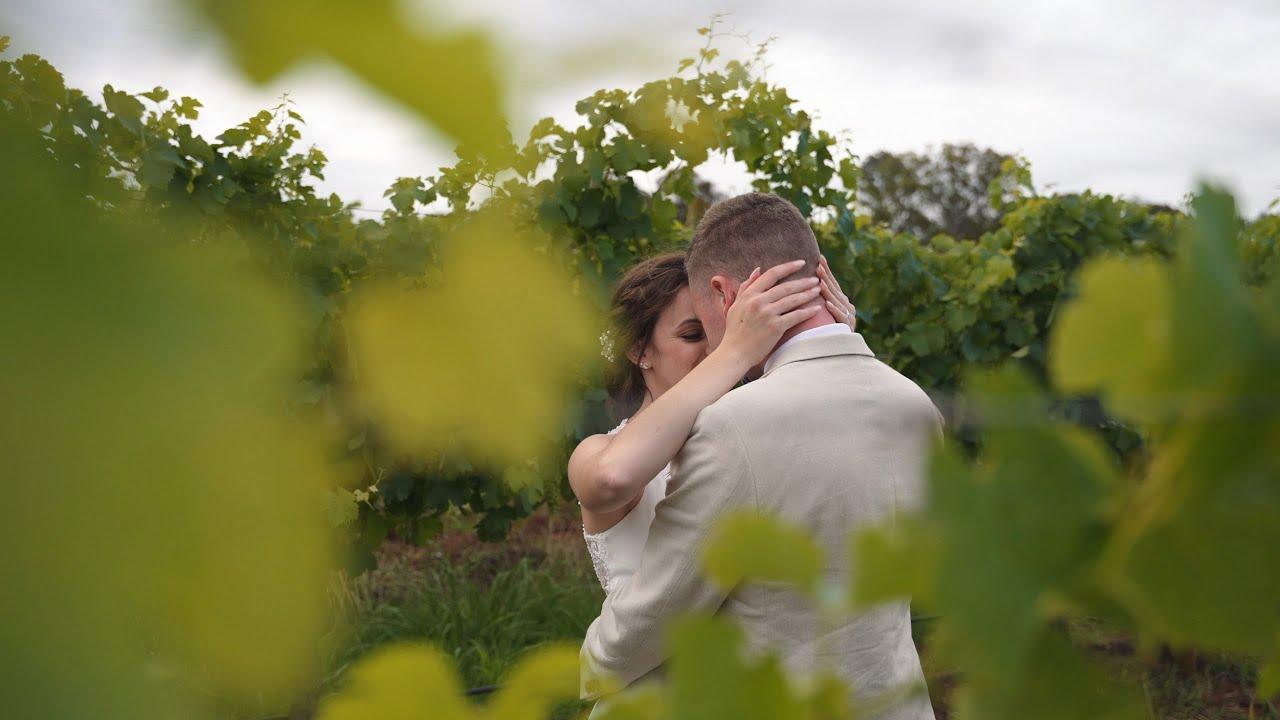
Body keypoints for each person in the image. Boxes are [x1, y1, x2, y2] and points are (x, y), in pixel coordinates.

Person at [580, 193, 942, 720]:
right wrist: (817, 346)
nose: (715, 348)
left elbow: (659, 613)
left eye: (709, 327)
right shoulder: (914, 404)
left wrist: (593, 667)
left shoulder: (734, 428)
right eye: (691, 335)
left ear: (722, 293)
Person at [571, 250, 857, 595]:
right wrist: (734, 352)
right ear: (639, 350)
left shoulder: (757, 430)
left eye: (721, 332)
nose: (714, 349)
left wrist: (833, 345)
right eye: (692, 335)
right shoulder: (599, 452)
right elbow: (611, 479)